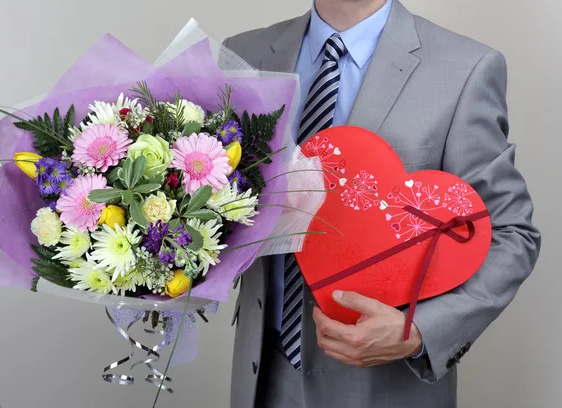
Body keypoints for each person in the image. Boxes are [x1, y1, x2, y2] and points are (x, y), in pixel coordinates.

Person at [223, 0, 541, 407]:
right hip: (263, 375)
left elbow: (512, 233)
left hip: (385, 386)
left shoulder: (466, 67)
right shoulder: (245, 54)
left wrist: (421, 331)